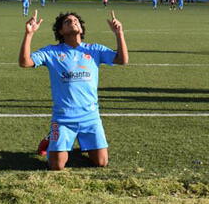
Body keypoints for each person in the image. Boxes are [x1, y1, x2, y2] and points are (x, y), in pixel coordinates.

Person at [20, 10, 128, 170]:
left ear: (82, 29)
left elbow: (122, 60)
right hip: (63, 119)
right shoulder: (52, 52)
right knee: (56, 166)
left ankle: (73, 145)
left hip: (90, 117)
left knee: (101, 162)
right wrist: (28, 34)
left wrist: (119, 33)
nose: (73, 22)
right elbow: (25, 62)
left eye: (76, 20)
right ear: (61, 31)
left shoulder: (94, 49)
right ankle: (52, 139)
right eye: (67, 21)